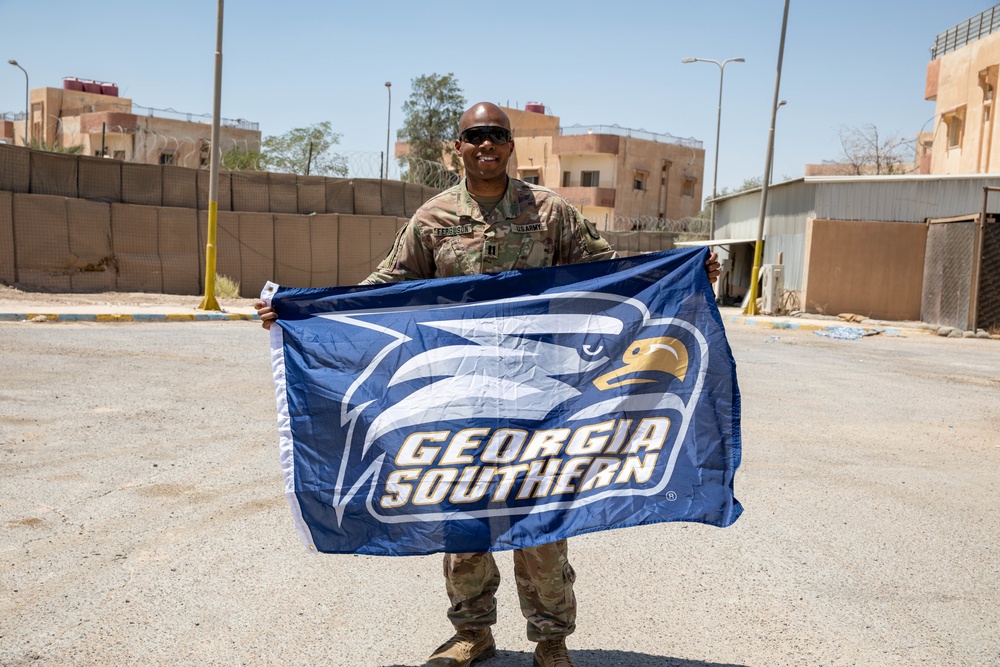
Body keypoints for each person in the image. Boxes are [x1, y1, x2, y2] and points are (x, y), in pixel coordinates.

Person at [257, 102, 720, 667]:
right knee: (465, 515)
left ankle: (551, 639)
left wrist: (685, 273)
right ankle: (471, 632)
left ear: (509, 146)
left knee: (541, 516)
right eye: (474, 136)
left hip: (541, 395)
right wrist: (305, 313)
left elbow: (609, 274)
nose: (486, 145)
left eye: (496, 136)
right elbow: (382, 291)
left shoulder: (549, 213)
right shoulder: (432, 220)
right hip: (462, 395)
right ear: (458, 147)